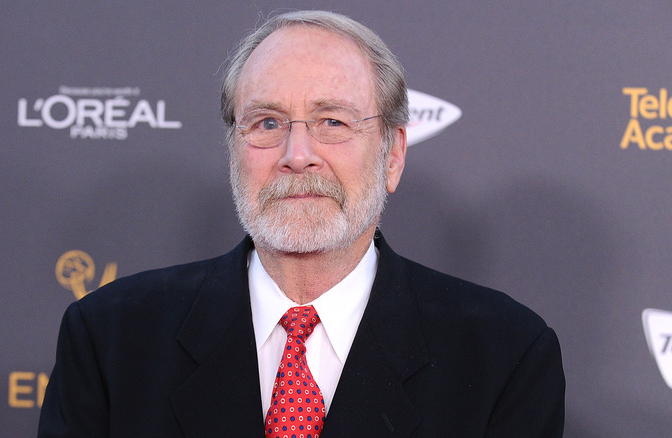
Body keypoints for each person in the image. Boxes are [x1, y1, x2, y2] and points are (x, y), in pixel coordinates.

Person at [38, 10, 564, 438]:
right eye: (267, 123)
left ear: (394, 154)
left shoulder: (504, 356)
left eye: (332, 121)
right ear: (233, 149)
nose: (297, 155)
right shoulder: (110, 339)